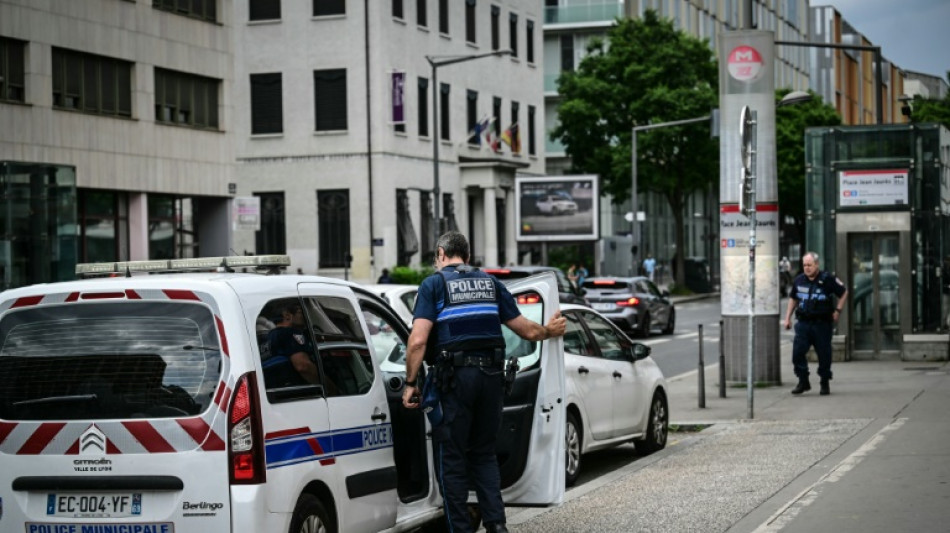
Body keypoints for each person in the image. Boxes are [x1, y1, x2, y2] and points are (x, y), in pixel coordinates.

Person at [401, 231, 567, 533]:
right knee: (484, 455)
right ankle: (497, 526)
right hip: (492, 378)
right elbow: (527, 331)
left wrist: (411, 383)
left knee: (452, 460)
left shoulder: (433, 285)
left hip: (454, 381)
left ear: (441, 254)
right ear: (467, 255)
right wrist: (550, 331)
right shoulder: (491, 284)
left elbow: (418, 341)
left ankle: (461, 529)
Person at [783, 252, 848, 396]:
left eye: (810, 265)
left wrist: (838, 310)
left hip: (822, 324)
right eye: (804, 265)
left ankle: (824, 381)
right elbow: (793, 299)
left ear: (817, 265)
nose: (807, 268)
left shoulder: (827, 279)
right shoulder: (799, 280)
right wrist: (787, 318)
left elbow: (844, 292)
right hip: (803, 324)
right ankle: (803, 381)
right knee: (797, 354)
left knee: (824, 355)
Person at [263, 304, 321, 387]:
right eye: (300, 312)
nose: (305, 317)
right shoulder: (290, 332)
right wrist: (329, 387)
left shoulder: (267, 338)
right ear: (287, 316)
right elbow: (303, 366)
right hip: (297, 390)